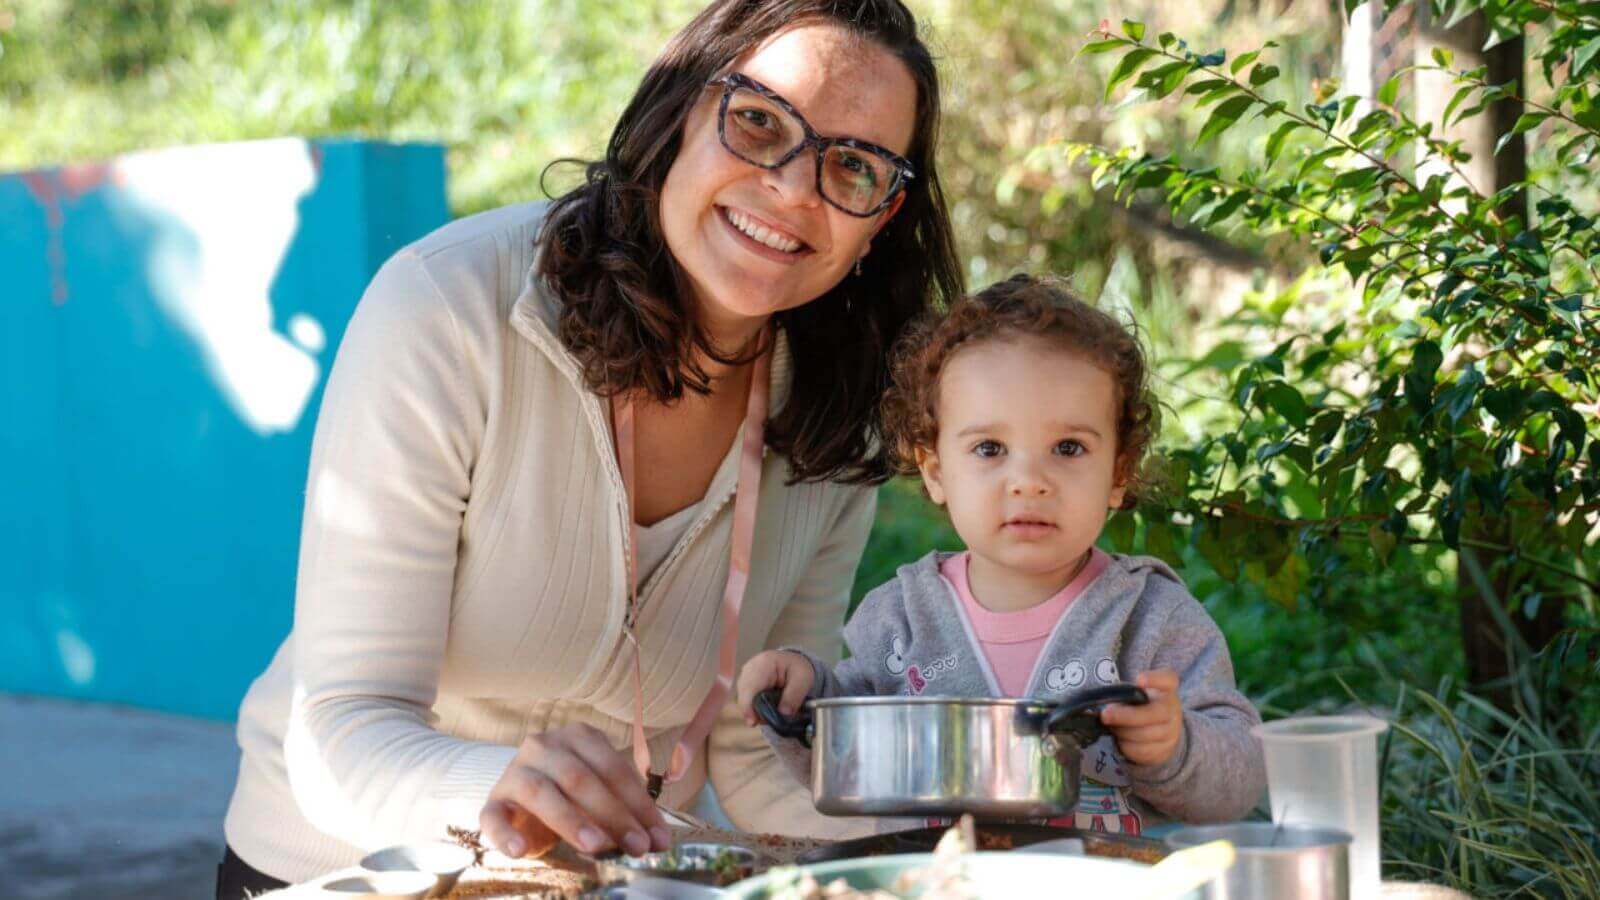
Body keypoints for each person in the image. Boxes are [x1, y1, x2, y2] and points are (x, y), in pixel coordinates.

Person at [216, 1, 963, 895]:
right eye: (760, 122)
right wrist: (499, 786)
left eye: (854, 165)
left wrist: (934, 846)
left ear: (881, 218)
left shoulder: (842, 415)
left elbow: (751, 744)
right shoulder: (450, 309)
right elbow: (340, 731)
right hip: (351, 873)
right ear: (677, 112)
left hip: (613, 883)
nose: (796, 188)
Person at [736, 275, 1266, 834]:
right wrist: (803, 699)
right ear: (937, 471)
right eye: (990, 448)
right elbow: (849, 760)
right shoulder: (900, 621)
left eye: (1068, 448)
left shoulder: (1151, 620)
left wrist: (1175, 747)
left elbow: (1243, 776)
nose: (1029, 481)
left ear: (1119, 472)